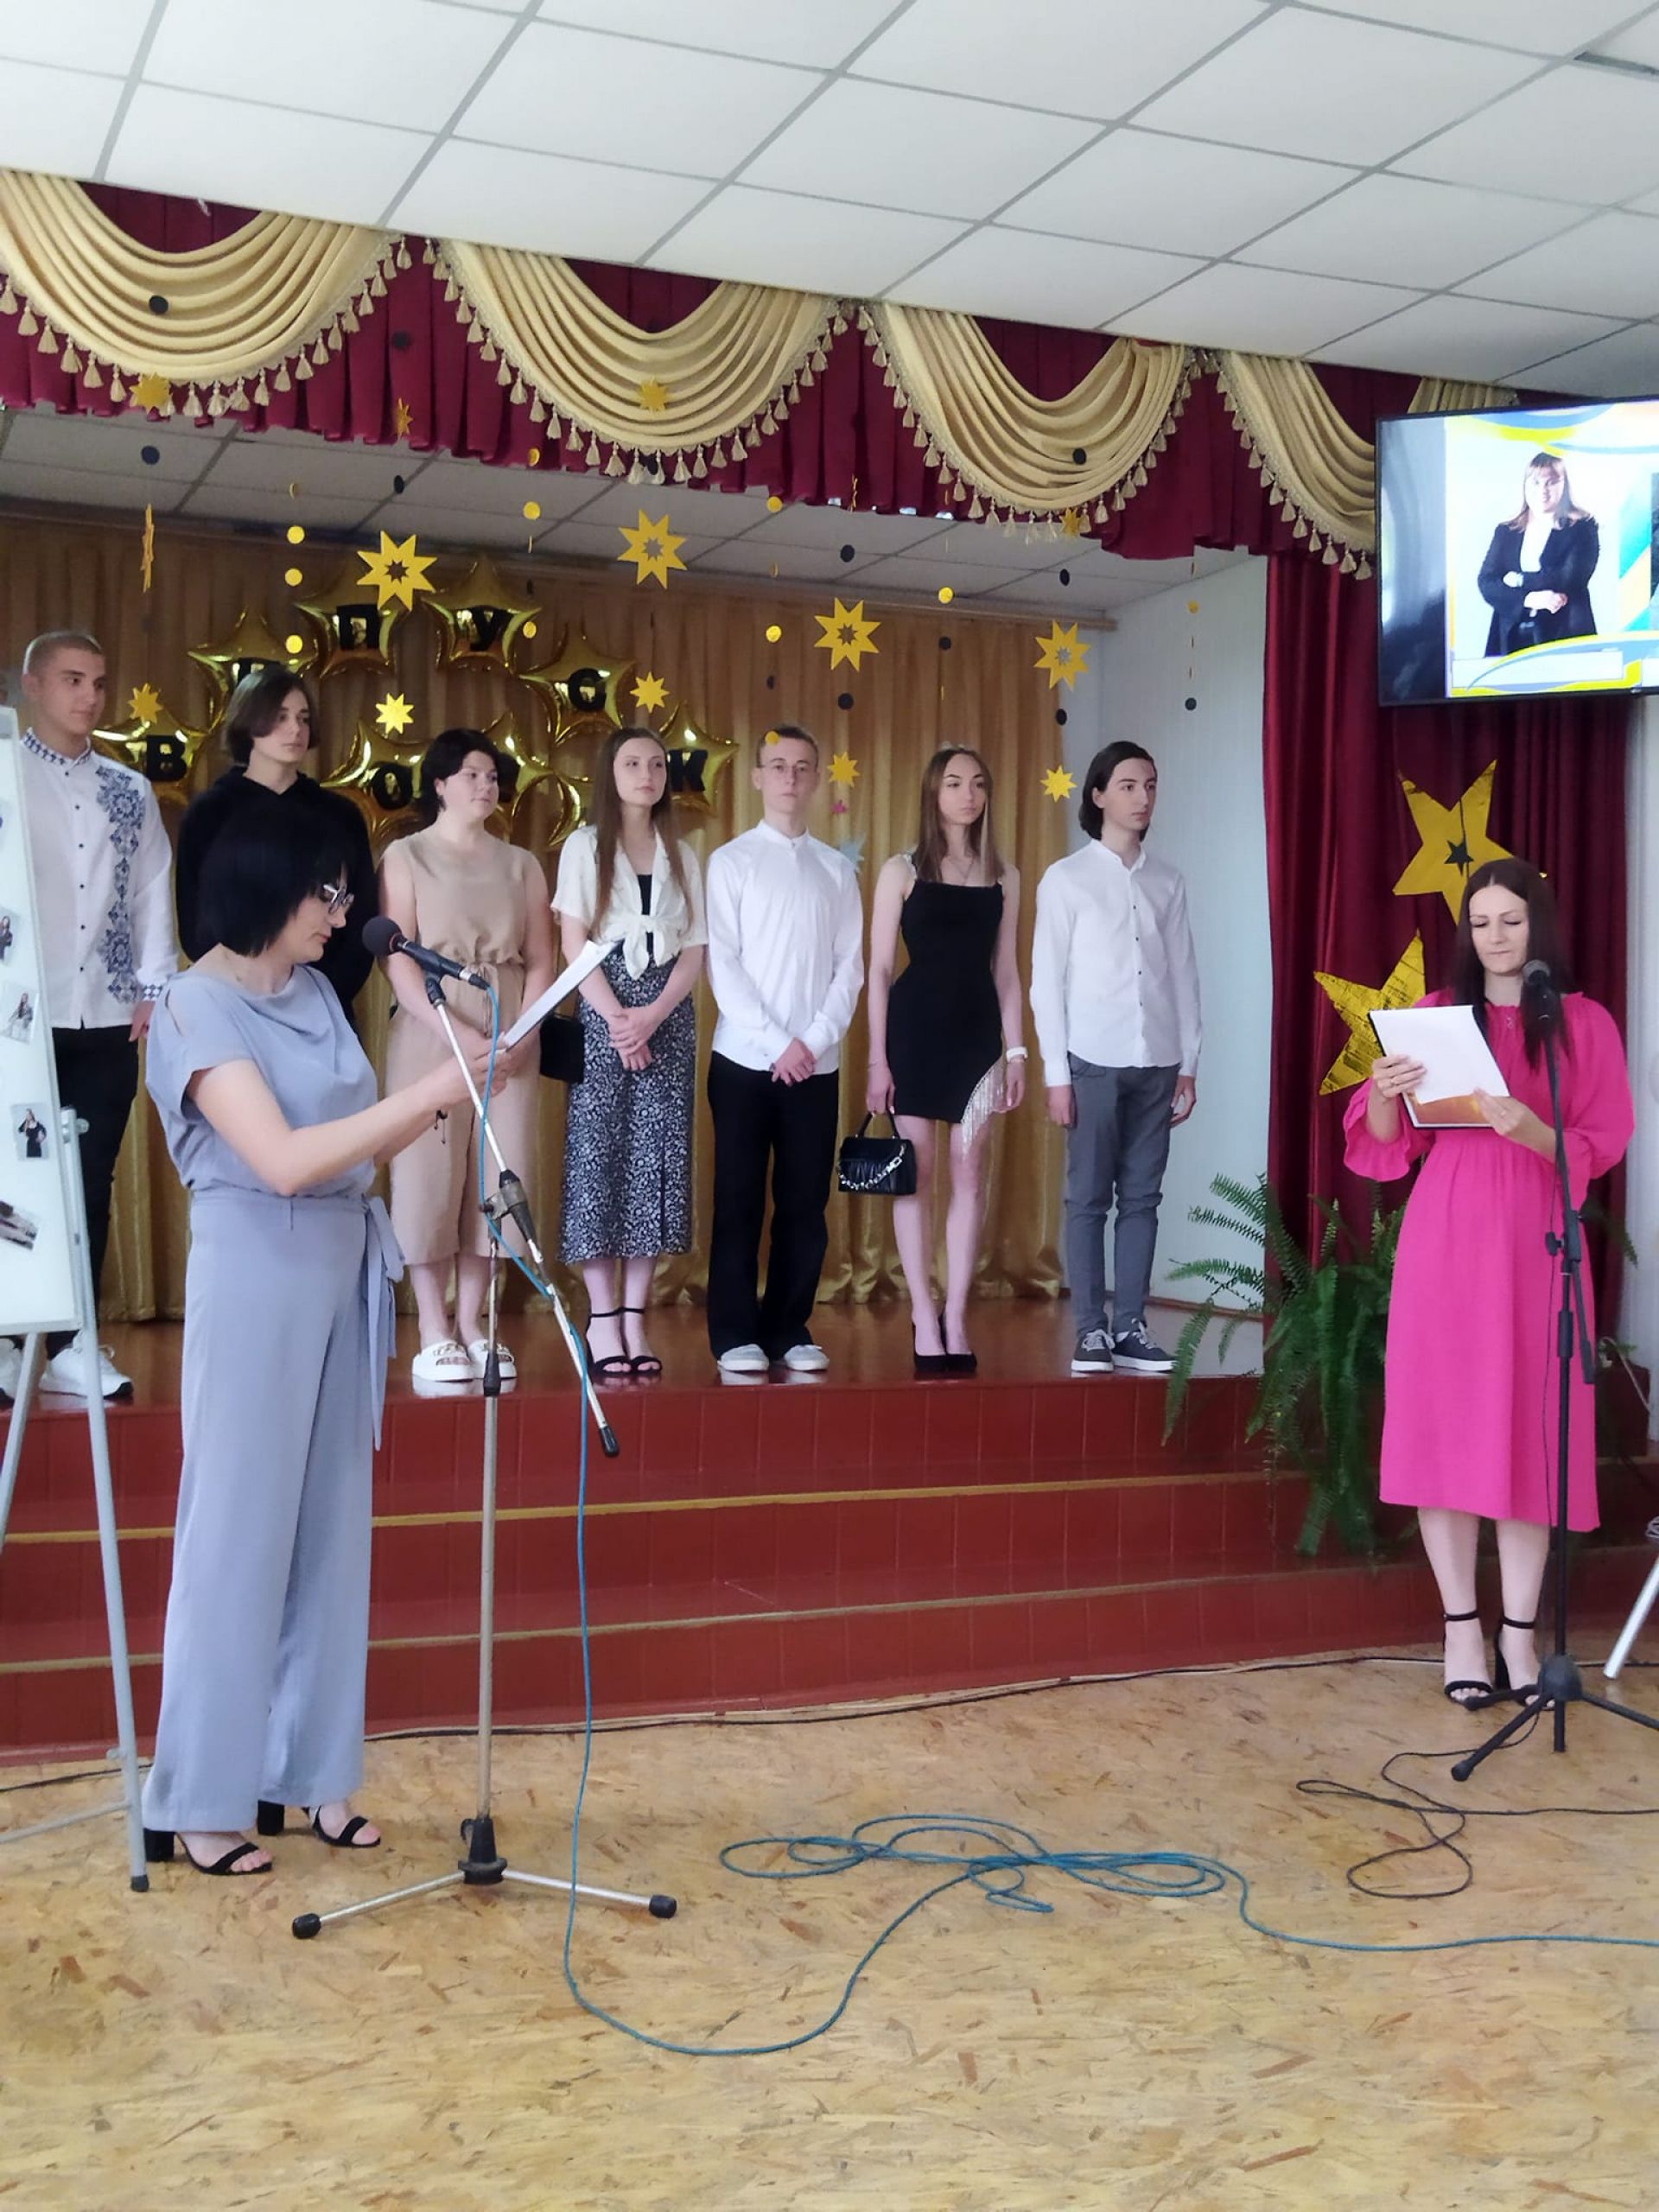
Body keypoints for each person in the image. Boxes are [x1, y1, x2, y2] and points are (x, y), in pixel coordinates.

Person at [140, 805, 490, 1877]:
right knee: (236, 1537)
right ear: (262, 886)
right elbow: (286, 1159)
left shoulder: (315, 995)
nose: (342, 914)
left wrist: (446, 1089)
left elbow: (354, 1143)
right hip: (257, 1270)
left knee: (332, 1537)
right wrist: (432, 1091)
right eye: (326, 893)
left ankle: (309, 1773)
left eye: (345, 894)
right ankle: (199, 1796)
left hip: (343, 1267)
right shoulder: (194, 1004)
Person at [1344, 858, 1633, 1708]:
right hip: (1447, 1231)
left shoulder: (1583, 1023)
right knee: (1444, 1428)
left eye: (1511, 920)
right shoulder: (1434, 1016)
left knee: (1530, 1429)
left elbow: (1602, 1139)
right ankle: (1460, 1628)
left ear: (1539, 924)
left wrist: (1535, 1129)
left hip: (1537, 1236)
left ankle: (1519, 1633)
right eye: (1481, 923)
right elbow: (1387, 1143)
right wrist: (1385, 1090)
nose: (1496, 937)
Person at [8, 630, 177, 1402]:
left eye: (100, 683)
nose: (90, 696)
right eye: (73, 679)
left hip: (105, 1014)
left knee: (87, 1178)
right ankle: (11, 1335)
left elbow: (150, 889)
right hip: (18, 1017)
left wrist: (154, 984)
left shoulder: (127, 788)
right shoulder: (6, 775)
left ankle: (74, 1340)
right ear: (34, 685)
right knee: (16, 1179)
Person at [379, 730, 554, 1387]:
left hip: (510, 1029)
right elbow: (398, 957)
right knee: (427, 1170)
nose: (486, 786)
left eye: (493, 776)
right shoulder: (406, 855)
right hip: (433, 1024)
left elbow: (542, 958)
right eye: (472, 775)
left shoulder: (522, 863)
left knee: (499, 1172)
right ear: (440, 784)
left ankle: (475, 1321)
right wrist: (451, 1029)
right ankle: (432, 1326)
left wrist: (521, 1031)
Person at [1030, 741, 1199, 1379]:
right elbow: (1045, 982)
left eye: (1150, 785)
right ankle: (1091, 1330)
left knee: (1143, 1198)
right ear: (1098, 795)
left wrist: (1190, 1060)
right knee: (1088, 1197)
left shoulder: (1168, 880)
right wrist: (1056, 1074)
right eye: (1128, 785)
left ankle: (1131, 1325)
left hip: (1157, 1059)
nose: (1142, 797)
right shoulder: (1066, 879)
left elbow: (1183, 972)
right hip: (1092, 1059)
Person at [704, 724, 862, 1376]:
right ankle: (733, 1331)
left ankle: (789, 1325)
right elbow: (724, 964)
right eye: (777, 766)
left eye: (802, 767)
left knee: (804, 1202)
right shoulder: (731, 861)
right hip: (744, 1061)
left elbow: (849, 967)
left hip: (816, 1066)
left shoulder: (836, 869)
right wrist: (777, 1044)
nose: (790, 778)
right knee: (739, 1198)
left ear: (817, 777)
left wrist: (813, 1041)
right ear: (757, 777)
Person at [865, 747, 1026, 1376]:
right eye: (955, 783)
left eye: (978, 783)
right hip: (913, 1033)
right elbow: (880, 969)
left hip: (978, 1039)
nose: (968, 794)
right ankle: (922, 1313)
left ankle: (956, 1313)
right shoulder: (900, 870)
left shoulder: (1005, 875)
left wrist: (1017, 1051)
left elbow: (1007, 972)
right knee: (919, 1172)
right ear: (934, 792)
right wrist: (877, 1061)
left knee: (970, 1172)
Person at [553, 726, 705, 1379]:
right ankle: (602, 1316)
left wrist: (652, 1015)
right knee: (599, 1155)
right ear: (610, 774)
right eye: (633, 763)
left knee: (656, 1160)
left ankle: (637, 1317)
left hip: (666, 1013)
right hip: (603, 1008)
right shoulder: (585, 846)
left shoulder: (684, 853)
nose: (647, 774)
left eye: (657, 764)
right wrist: (619, 1020)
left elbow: (695, 948)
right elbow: (572, 941)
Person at [175, 664, 378, 1020]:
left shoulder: (339, 814)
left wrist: (319, 992)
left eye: (303, 718)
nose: (295, 729)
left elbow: (359, 916)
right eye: (280, 717)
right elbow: (197, 921)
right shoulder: (211, 812)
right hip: (233, 1002)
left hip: (322, 1004)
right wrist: (245, 986)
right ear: (248, 721)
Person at [1477, 453, 1599, 659]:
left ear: (1564, 485)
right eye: (1535, 482)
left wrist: (1519, 580)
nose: (1543, 490)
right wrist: (1529, 599)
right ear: (1525, 485)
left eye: (1551, 482)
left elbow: (1570, 577)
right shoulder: (1506, 531)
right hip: (1511, 639)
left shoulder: (1583, 527)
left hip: (1565, 636)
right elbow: (1487, 582)